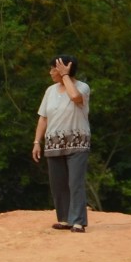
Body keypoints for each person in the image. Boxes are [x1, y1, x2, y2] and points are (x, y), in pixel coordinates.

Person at [33, 55, 92, 232]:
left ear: (63, 69)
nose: (51, 72)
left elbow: (75, 97)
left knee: (75, 183)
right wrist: (37, 141)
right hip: (54, 143)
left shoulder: (82, 87)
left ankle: (78, 221)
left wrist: (66, 76)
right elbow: (43, 117)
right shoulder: (50, 91)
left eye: (54, 68)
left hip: (77, 142)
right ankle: (65, 218)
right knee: (58, 183)